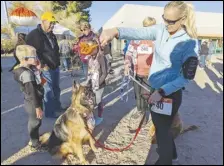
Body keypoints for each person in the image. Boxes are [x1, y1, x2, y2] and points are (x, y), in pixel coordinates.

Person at [99, 1, 199, 165]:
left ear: (183, 19)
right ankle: (172, 154)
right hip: (154, 89)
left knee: (161, 131)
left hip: (169, 94)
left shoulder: (189, 43)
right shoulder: (160, 29)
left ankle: (166, 160)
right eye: (164, 19)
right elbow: (138, 32)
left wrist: (161, 92)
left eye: (171, 21)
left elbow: (185, 78)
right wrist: (115, 31)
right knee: (162, 128)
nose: (166, 24)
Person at [26, 12, 64, 118]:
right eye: (51, 23)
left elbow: (55, 50)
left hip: (55, 66)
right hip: (44, 68)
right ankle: (50, 112)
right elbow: (31, 52)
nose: (52, 25)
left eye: (53, 24)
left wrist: (58, 62)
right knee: (48, 90)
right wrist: (42, 64)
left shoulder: (51, 35)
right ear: (43, 21)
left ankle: (57, 106)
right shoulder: (34, 35)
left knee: (56, 88)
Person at [12, 45, 46, 151]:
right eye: (34, 57)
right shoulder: (26, 74)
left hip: (31, 100)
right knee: (35, 121)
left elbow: (38, 80)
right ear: (25, 59)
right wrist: (37, 107)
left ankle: (34, 136)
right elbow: (32, 92)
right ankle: (34, 143)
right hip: (33, 102)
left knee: (35, 120)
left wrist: (39, 70)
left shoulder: (26, 68)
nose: (36, 58)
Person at [124, 17, 156, 119]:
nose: (148, 30)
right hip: (136, 73)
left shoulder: (156, 41)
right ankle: (140, 111)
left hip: (150, 74)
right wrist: (127, 64)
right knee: (137, 94)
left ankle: (148, 114)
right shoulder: (136, 40)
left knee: (146, 94)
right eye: (146, 27)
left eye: (151, 27)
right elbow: (128, 53)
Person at [84, 39, 108, 126]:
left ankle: (100, 117)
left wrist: (98, 83)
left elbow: (105, 73)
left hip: (99, 84)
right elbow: (89, 71)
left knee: (98, 101)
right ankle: (91, 117)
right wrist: (88, 82)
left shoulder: (101, 57)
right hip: (91, 84)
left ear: (95, 48)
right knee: (91, 101)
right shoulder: (90, 58)